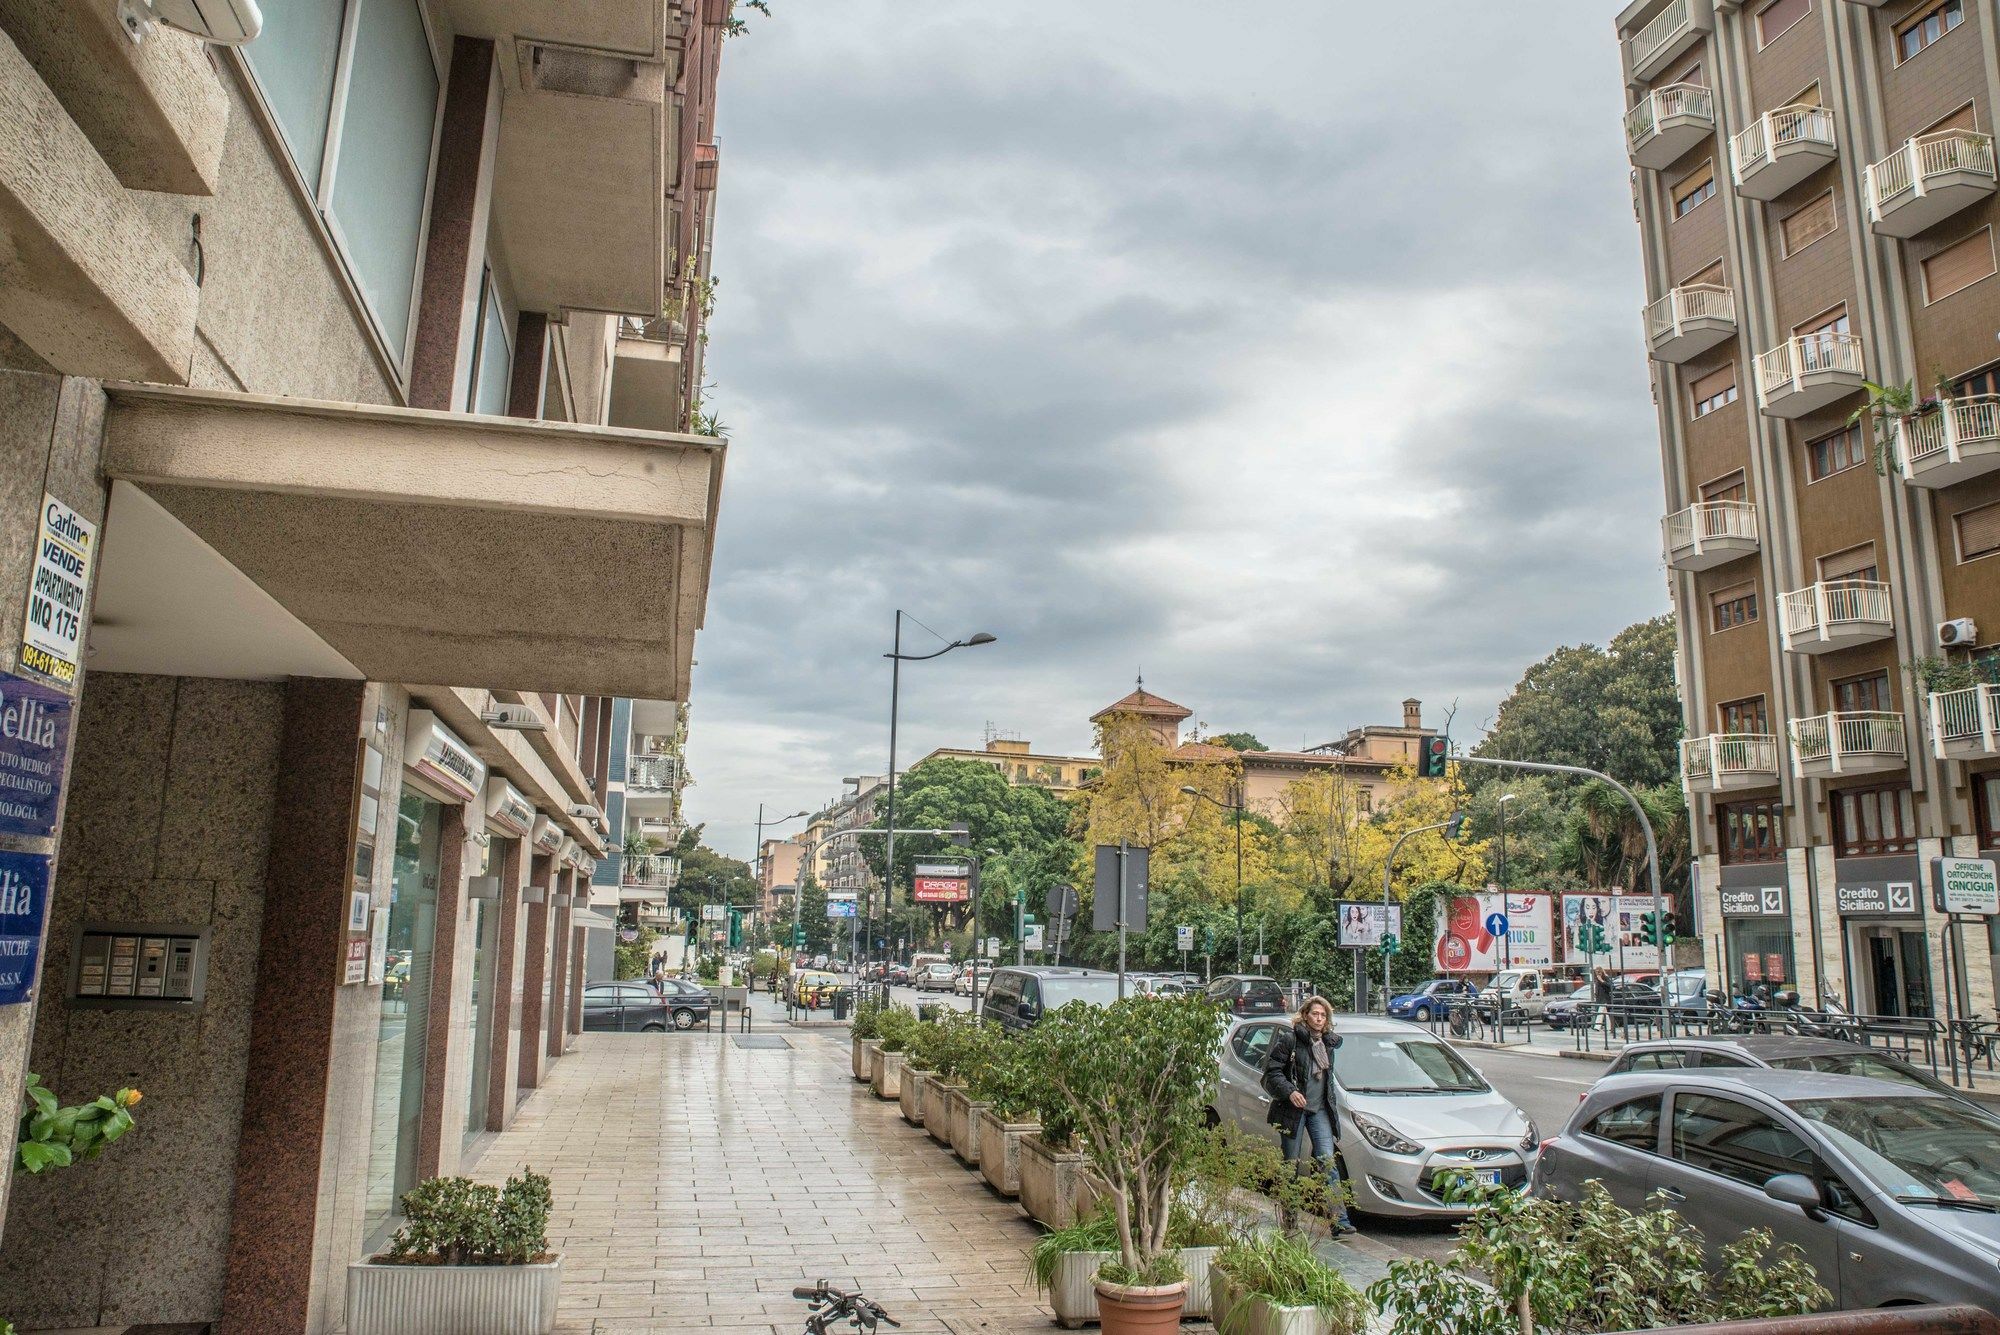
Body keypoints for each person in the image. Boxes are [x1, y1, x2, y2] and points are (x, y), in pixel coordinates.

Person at [1260, 995, 1357, 1236]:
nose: (1319, 1019)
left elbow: (1326, 1080)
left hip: (1319, 1110)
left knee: (1326, 1161)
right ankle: (1290, 1220)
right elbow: (1271, 1073)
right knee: (1290, 1164)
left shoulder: (1327, 1044)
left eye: (1323, 1015)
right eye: (1315, 1014)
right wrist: (1290, 1092)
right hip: (1293, 1110)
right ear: (1305, 1015)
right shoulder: (1290, 1040)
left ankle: (1340, 1220)